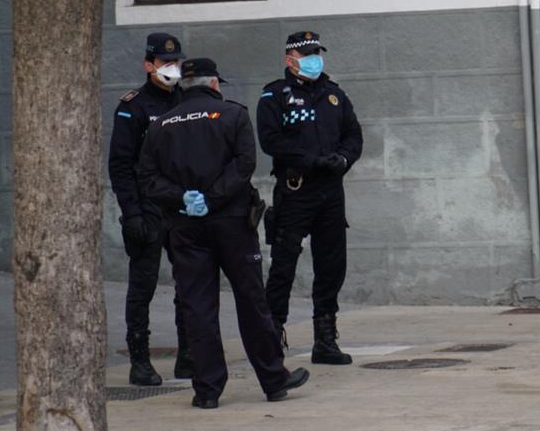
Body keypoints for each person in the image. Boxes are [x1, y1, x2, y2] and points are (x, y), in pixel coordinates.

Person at [137, 58, 309, 409]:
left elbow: (147, 178)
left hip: (185, 225)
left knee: (197, 306)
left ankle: (207, 390)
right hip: (232, 221)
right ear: (214, 83)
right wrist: (214, 198)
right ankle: (273, 380)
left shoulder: (161, 125)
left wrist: (183, 198)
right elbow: (244, 164)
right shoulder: (233, 115)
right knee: (251, 300)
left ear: (182, 85)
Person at [257, 30, 363, 365]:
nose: (314, 59)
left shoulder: (334, 95)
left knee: (331, 264)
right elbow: (270, 140)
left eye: (317, 53)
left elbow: (353, 135)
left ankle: (325, 339)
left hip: (330, 191)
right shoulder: (275, 95)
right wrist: (310, 160)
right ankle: (272, 337)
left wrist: (343, 159)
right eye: (307, 54)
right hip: (296, 189)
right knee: (284, 264)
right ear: (290, 60)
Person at [108, 31, 191, 387]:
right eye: (164, 62)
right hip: (148, 207)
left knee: (189, 282)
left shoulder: (186, 101)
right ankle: (140, 360)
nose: (172, 68)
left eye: (176, 62)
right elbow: (121, 165)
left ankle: (188, 355)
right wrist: (132, 213)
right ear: (148, 65)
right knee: (143, 286)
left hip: (182, 207)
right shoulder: (134, 106)